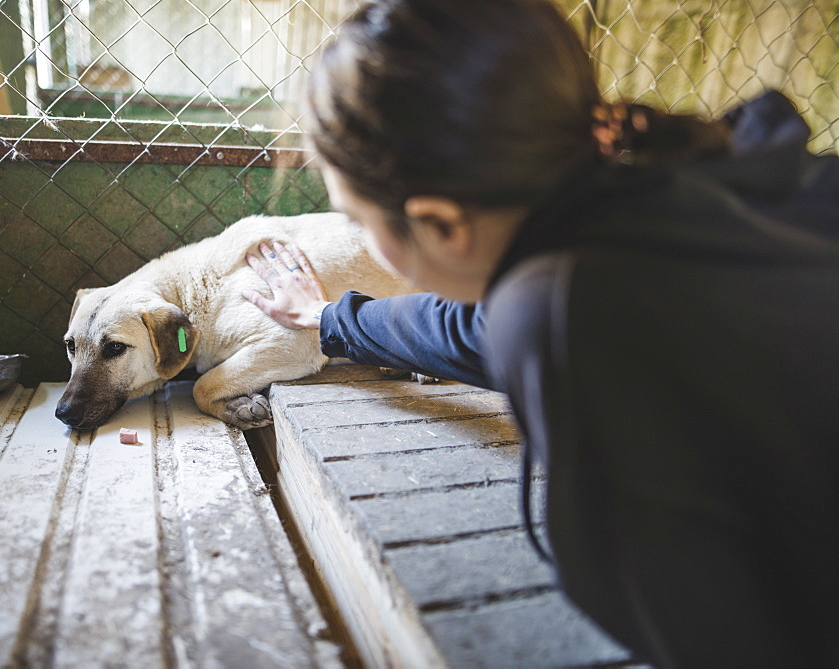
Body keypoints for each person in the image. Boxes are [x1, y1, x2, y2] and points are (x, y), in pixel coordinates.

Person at [242, 0, 839, 665]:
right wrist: (333, 319)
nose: (365, 242)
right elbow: (468, 328)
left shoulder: (560, 308)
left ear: (440, 223)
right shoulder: (689, 180)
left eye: (358, 219)